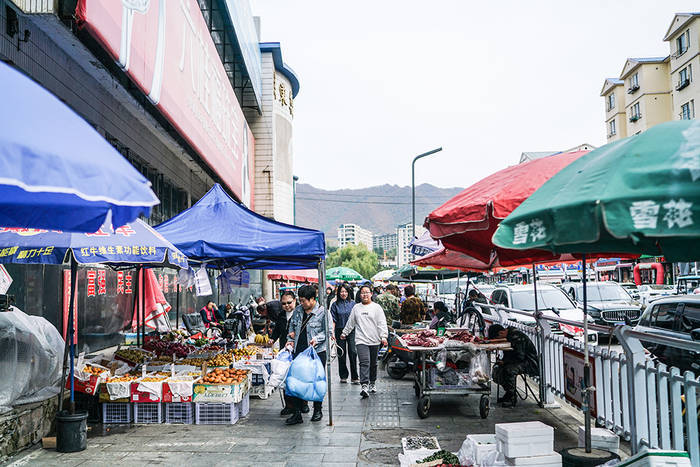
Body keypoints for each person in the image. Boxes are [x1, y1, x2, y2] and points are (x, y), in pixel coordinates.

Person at [284, 285, 328, 425]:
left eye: (303, 301)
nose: (301, 303)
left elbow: (328, 332)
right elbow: (291, 328)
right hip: (299, 351)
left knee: (316, 382)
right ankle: (297, 413)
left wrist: (316, 339)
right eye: (300, 300)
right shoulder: (297, 311)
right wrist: (290, 340)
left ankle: (317, 410)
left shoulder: (323, 312)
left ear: (312, 299)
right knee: (296, 382)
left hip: (317, 352)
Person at [341, 285, 388, 398]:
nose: (365, 295)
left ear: (371, 294)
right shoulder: (356, 308)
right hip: (361, 340)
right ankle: (364, 385)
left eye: (367, 292)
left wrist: (384, 336)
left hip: (375, 340)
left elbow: (382, 323)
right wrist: (344, 333)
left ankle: (372, 382)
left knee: (373, 363)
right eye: (362, 293)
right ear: (359, 295)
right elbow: (351, 322)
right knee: (364, 362)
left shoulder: (377, 308)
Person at [486, 324, 539, 407]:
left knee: (509, 370)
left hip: (529, 362)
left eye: (498, 339)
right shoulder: (510, 335)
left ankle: (512, 398)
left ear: (501, 333)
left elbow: (520, 356)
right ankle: (508, 393)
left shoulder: (516, 336)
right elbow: (510, 355)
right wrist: (503, 361)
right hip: (519, 360)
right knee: (498, 368)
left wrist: (505, 362)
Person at [330, 283, 358, 384]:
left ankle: (355, 377)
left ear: (349, 292)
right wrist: (332, 333)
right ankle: (343, 376)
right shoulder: (335, 304)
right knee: (341, 353)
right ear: (338, 293)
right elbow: (333, 320)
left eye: (346, 291)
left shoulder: (354, 304)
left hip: (352, 331)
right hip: (339, 330)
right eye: (342, 291)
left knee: (353, 352)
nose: (344, 293)